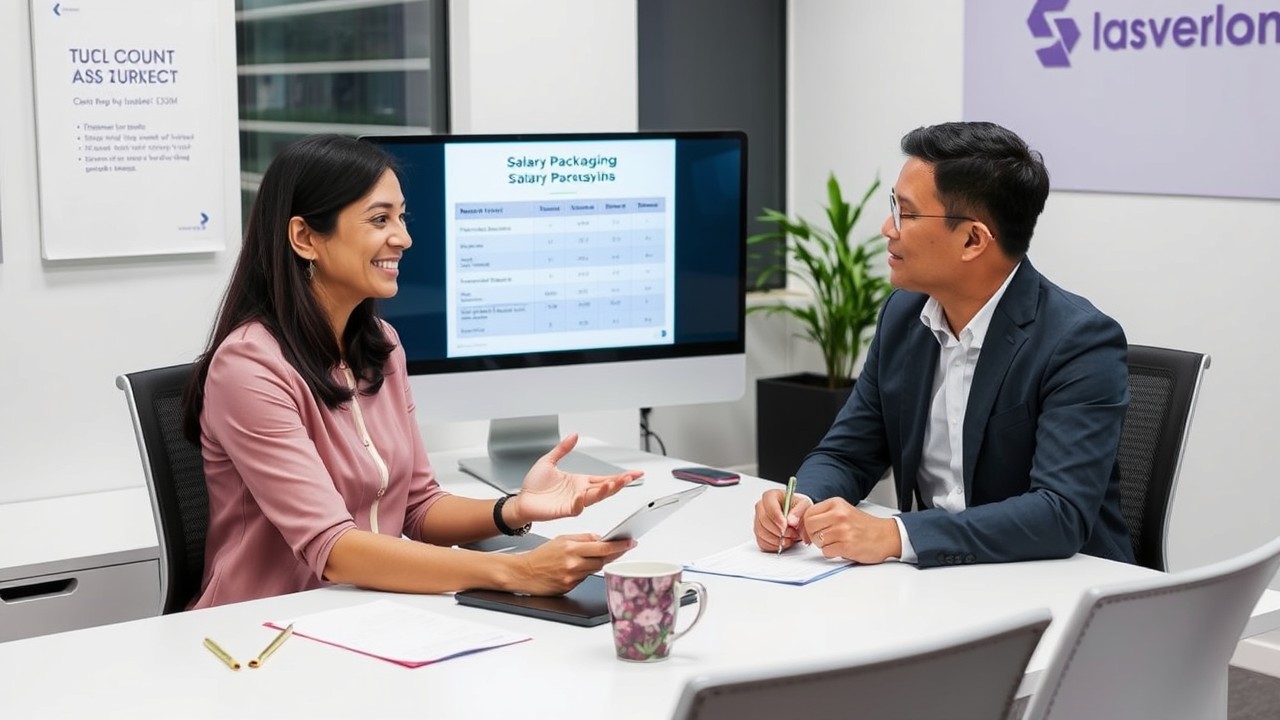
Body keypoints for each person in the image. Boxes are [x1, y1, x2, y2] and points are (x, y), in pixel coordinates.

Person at [182, 134, 641, 609]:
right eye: (380, 219)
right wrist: (516, 570)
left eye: (401, 217)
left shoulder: (380, 347)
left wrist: (514, 508)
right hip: (263, 629)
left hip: (370, 610)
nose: (403, 237)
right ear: (305, 238)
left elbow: (418, 507)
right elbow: (333, 549)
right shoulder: (249, 367)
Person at [752, 121, 1135, 568]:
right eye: (894, 207)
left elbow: (1058, 513)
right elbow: (847, 452)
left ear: (973, 239)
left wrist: (896, 535)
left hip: (1060, 586)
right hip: (940, 581)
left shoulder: (1078, 341)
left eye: (907, 214)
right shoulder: (903, 317)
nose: (887, 229)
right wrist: (802, 500)